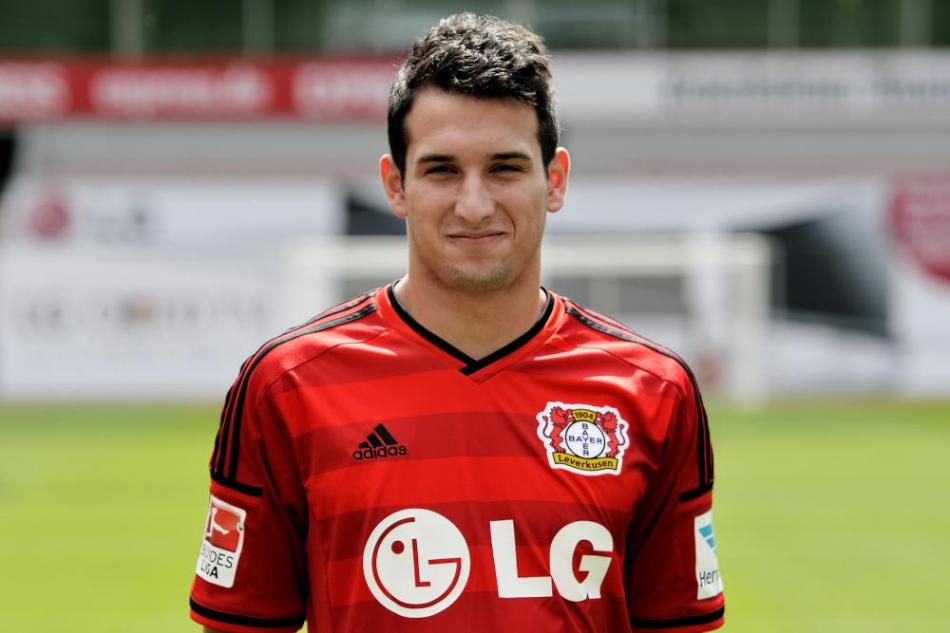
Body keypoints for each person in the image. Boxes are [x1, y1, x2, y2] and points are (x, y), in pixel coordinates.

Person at [190, 13, 724, 633]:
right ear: (395, 185)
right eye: (442, 169)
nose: (474, 205)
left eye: (505, 167)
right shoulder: (285, 386)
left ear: (554, 180)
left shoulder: (653, 390)